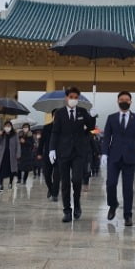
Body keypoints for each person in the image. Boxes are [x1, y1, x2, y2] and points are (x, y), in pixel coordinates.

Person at [49, 87, 97, 223]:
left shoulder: (82, 112)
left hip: (78, 152)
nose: (73, 99)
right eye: (71, 97)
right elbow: (55, 132)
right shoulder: (59, 113)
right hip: (63, 152)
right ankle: (67, 211)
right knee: (64, 183)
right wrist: (52, 149)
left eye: (76, 97)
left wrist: (92, 117)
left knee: (76, 180)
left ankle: (77, 205)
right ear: (66, 98)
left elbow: (91, 128)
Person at [101, 91, 135, 227]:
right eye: (121, 99)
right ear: (117, 101)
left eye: (127, 99)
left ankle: (128, 215)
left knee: (128, 188)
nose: (124, 101)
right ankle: (113, 204)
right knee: (111, 183)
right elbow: (106, 137)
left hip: (130, 156)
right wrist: (104, 153)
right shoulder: (111, 118)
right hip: (114, 156)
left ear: (130, 102)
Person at [38, 109, 60, 202]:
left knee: (57, 176)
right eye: (55, 115)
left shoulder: (64, 128)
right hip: (47, 154)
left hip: (60, 155)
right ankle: (51, 189)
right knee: (46, 174)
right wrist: (39, 153)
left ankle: (55, 194)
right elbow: (41, 142)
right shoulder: (46, 127)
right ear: (52, 116)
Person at [0, 120, 20, 192]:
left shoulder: (15, 134)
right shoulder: (2, 134)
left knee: (11, 170)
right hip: (2, 155)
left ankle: (10, 183)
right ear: (4, 127)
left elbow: (18, 145)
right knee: (0, 170)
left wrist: (18, 154)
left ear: (11, 127)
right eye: (6, 126)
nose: (7, 127)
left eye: (9, 126)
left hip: (11, 155)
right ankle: (1, 185)